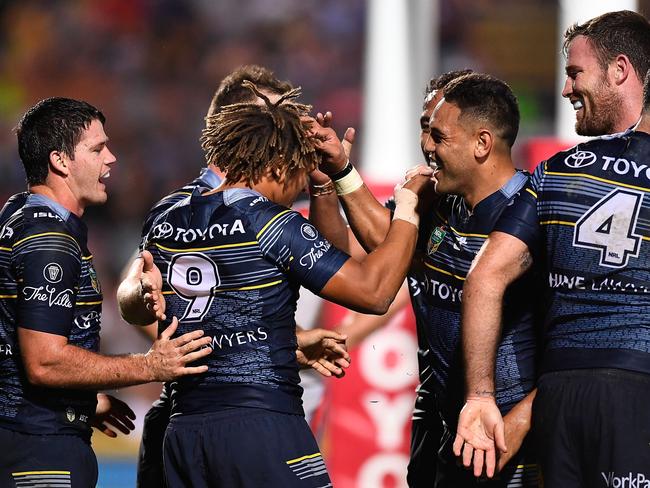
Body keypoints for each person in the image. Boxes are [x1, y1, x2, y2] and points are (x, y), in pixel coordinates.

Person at [141, 82, 428, 487]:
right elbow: (375, 291)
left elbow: (219, 315)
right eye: (297, 171)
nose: (298, 188)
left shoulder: (165, 216)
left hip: (184, 431)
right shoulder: (271, 222)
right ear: (277, 166)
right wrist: (408, 209)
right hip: (262, 425)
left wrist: (291, 340)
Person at [116, 64, 352, 488]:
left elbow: (334, 258)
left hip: (245, 411)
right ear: (244, 125)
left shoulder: (274, 198)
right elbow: (135, 291)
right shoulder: (186, 206)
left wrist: (322, 179)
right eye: (281, 117)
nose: (296, 128)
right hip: (221, 417)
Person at [311, 72, 541, 487]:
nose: (426, 146)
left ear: (482, 143)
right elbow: (359, 251)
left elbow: (577, 340)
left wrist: (524, 418)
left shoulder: (536, 214)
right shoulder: (437, 202)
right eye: (425, 129)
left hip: (503, 433)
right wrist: (335, 176)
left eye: (438, 134)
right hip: (438, 422)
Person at [454, 11, 650, 487]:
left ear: (619, 70)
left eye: (575, 73)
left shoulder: (556, 171)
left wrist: (480, 395)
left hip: (561, 395)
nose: (565, 89)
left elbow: (484, 277)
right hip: (636, 391)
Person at [0, 97, 213, 487]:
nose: (111, 158)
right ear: (61, 161)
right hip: (39, 450)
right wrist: (150, 366)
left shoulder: (18, 218)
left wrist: (85, 399)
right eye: (97, 148)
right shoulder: (49, 241)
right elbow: (44, 361)